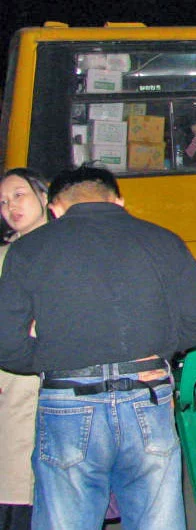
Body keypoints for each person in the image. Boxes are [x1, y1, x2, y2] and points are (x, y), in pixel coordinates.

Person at [0, 166, 196, 530]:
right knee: (156, 519)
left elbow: (8, 345)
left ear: (55, 208)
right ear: (119, 201)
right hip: (146, 394)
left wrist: (55, 361)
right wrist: (157, 349)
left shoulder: (27, 251)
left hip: (66, 401)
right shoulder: (162, 240)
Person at [0, 169, 50, 530]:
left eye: (19, 195)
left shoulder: (69, 248)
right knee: (17, 488)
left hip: (68, 386)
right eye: (3, 202)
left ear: (44, 197)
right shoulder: (5, 257)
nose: (10, 207)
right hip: (13, 385)